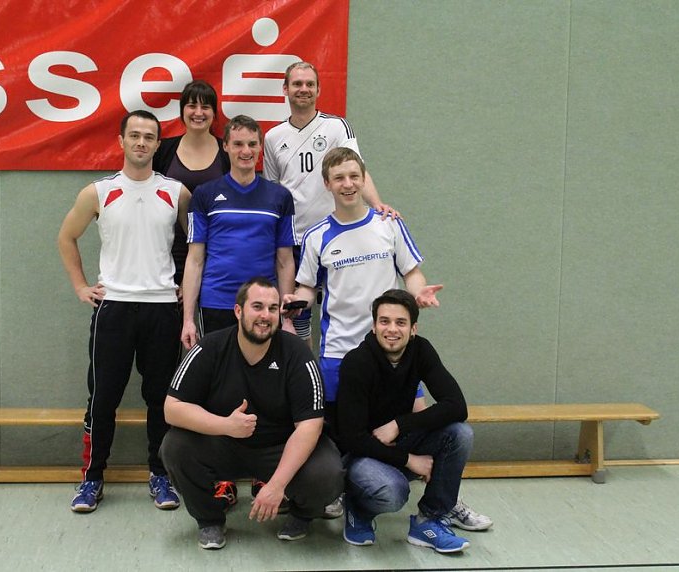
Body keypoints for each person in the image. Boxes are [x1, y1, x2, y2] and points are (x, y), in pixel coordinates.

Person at [282, 148, 491, 528]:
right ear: (327, 184)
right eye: (339, 178)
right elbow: (306, 288)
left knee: (425, 422)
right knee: (342, 433)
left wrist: (419, 294)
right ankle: (342, 493)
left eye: (354, 176)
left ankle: (446, 500)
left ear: (364, 179)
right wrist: (293, 301)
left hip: (392, 349)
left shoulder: (388, 224)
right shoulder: (316, 236)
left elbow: (411, 274)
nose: (348, 184)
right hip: (339, 354)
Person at [57, 110, 191, 513]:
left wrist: (187, 288)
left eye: (149, 137)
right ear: (121, 141)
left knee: (160, 399)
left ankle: (160, 475)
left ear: (156, 144)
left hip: (162, 309)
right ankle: (92, 479)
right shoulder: (97, 192)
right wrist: (81, 286)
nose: (141, 143)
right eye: (134, 135)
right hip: (113, 308)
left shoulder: (176, 192)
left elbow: (199, 247)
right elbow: (66, 237)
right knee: (102, 398)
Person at [161, 277, 344, 549]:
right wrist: (226, 426)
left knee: (328, 471)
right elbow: (172, 409)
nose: (265, 316)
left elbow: (310, 426)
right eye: (257, 307)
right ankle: (209, 520)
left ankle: (303, 515)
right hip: (225, 443)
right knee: (175, 447)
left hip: (280, 449)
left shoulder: (297, 354)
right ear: (238, 311)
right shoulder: (209, 348)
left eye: (272, 309)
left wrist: (276, 485)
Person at [336, 289, 487, 553]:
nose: (392, 329)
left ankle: (428, 520)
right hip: (363, 454)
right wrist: (409, 460)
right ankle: (358, 508)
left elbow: (456, 406)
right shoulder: (356, 362)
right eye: (384, 321)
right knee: (394, 493)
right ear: (373, 326)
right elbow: (352, 438)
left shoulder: (421, 350)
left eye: (400, 322)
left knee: (460, 433)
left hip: (400, 439)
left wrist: (399, 425)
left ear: (413, 328)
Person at [264, 61, 396, 343]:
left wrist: (378, 205)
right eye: (297, 84)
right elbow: (273, 192)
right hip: (296, 241)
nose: (304, 89)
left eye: (310, 84)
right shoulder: (273, 138)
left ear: (318, 90)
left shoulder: (336, 127)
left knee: (341, 309)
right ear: (285, 89)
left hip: (336, 235)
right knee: (297, 314)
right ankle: (303, 376)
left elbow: (357, 170)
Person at [180, 114, 296, 349]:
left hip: (263, 306)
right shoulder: (204, 194)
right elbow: (194, 260)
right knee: (218, 377)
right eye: (238, 144)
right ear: (225, 146)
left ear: (260, 147)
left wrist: (286, 317)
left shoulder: (280, 197)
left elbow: (285, 262)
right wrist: (188, 320)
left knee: (262, 379)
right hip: (216, 303)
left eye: (252, 144)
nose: (246, 151)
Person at [152, 79, 230, 287]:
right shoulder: (163, 151)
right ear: (181, 111)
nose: (198, 112)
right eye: (192, 106)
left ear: (214, 113)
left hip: (214, 253)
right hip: (168, 253)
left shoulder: (228, 152)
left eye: (205, 107)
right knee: (174, 318)